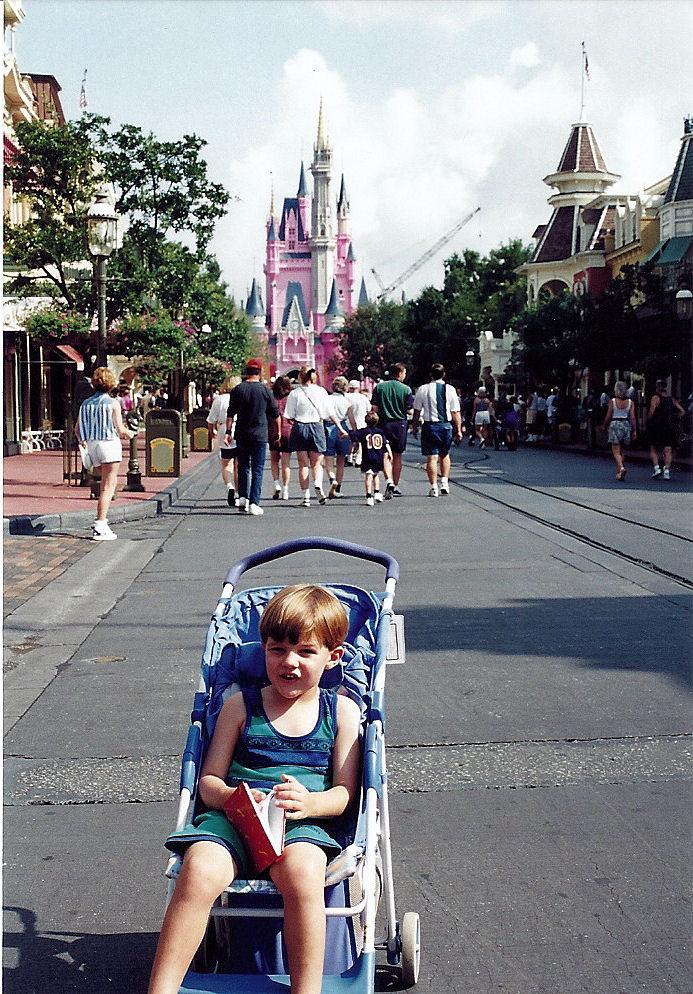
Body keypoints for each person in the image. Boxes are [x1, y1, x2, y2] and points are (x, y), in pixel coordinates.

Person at [148, 584, 361, 994]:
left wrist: (311, 802)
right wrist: (234, 798)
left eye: (305, 652)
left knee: (303, 874)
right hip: (235, 820)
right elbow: (208, 783)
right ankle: (161, 989)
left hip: (300, 824)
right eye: (277, 649)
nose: (289, 662)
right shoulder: (240, 706)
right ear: (262, 649)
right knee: (198, 869)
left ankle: (306, 989)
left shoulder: (341, 712)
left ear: (333, 658)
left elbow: (345, 795)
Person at [75, 366, 135, 541]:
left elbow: (77, 430)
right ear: (110, 384)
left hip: (92, 446)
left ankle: (102, 522)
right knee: (108, 486)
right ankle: (100, 524)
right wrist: (130, 433)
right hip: (108, 444)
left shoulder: (85, 404)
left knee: (110, 482)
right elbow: (121, 429)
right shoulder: (112, 403)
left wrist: (84, 443)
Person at [284, 367, 347, 507]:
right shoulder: (321, 391)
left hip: (300, 427)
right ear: (313, 377)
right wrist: (341, 428)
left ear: (300, 377)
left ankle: (306, 497)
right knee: (317, 463)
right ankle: (318, 484)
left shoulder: (295, 393)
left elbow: (289, 416)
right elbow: (330, 413)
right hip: (317, 427)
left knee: (303, 465)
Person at [224, 359, 280, 516]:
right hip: (260, 435)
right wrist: (277, 431)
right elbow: (276, 414)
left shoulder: (238, 389)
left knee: (243, 466)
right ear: (260, 372)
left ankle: (243, 498)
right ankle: (254, 502)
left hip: (241, 433)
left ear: (246, 371)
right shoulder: (265, 390)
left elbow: (230, 413)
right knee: (258, 468)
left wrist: (228, 432)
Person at [411, 362, 463, 497]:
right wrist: (458, 430)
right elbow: (455, 412)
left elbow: (417, 411)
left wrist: (415, 427)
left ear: (430, 375)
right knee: (445, 455)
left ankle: (434, 487)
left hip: (430, 426)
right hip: (445, 426)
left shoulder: (423, 389)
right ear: (443, 374)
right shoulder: (450, 389)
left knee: (431, 458)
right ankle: (444, 482)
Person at [370, 363, 413, 497]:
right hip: (399, 424)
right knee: (397, 455)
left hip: (382, 424)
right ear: (400, 373)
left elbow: (374, 409)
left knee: (385, 454)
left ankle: (389, 481)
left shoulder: (380, 387)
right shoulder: (406, 389)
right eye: (404, 373)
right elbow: (409, 410)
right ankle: (396, 484)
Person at [207, 374, 241, 506]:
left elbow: (211, 420)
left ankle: (230, 487)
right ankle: (238, 494)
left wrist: (211, 432)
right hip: (239, 428)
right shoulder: (241, 397)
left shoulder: (219, 399)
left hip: (223, 430)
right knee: (239, 465)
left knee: (226, 463)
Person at [350, 409, 394, 507]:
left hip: (368, 456)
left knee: (368, 476)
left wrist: (345, 435)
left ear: (366, 421)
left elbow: (353, 436)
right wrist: (390, 453)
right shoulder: (380, 432)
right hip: (378, 456)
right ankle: (377, 493)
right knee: (376, 475)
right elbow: (385, 443)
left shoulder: (363, 432)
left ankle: (369, 496)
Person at [647, 379, 684, 481]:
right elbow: (682, 411)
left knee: (654, 447)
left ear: (657, 388)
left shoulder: (655, 398)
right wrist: (676, 417)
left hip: (657, 426)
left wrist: (648, 419)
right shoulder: (671, 399)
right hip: (669, 426)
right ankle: (667, 471)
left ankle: (657, 468)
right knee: (668, 450)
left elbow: (651, 412)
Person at [602, 380, 637, 481]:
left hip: (615, 424)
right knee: (622, 450)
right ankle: (619, 472)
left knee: (615, 450)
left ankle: (621, 468)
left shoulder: (613, 401)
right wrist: (634, 430)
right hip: (626, 424)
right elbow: (633, 417)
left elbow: (608, 415)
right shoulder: (630, 402)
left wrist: (604, 425)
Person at [323, 376, 352, 499]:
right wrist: (354, 435)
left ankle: (332, 479)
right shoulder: (347, 402)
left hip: (328, 427)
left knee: (328, 459)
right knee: (341, 460)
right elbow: (352, 420)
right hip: (343, 428)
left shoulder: (326, 399)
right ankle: (338, 488)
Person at [269, 375, 293, 500]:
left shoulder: (271, 397)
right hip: (288, 431)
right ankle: (286, 490)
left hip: (273, 431)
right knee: (286, 463)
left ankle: (276, 483)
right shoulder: (290, 398)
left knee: (274, 460)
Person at [345, 379, 370, 465]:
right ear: (358, 388)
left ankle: (349, 458)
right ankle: (359, 460)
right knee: (360, 441)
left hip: (348, 423)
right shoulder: (363, 397)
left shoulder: (346, 396)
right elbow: (369, 409)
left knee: (350, 441)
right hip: (361, 423)